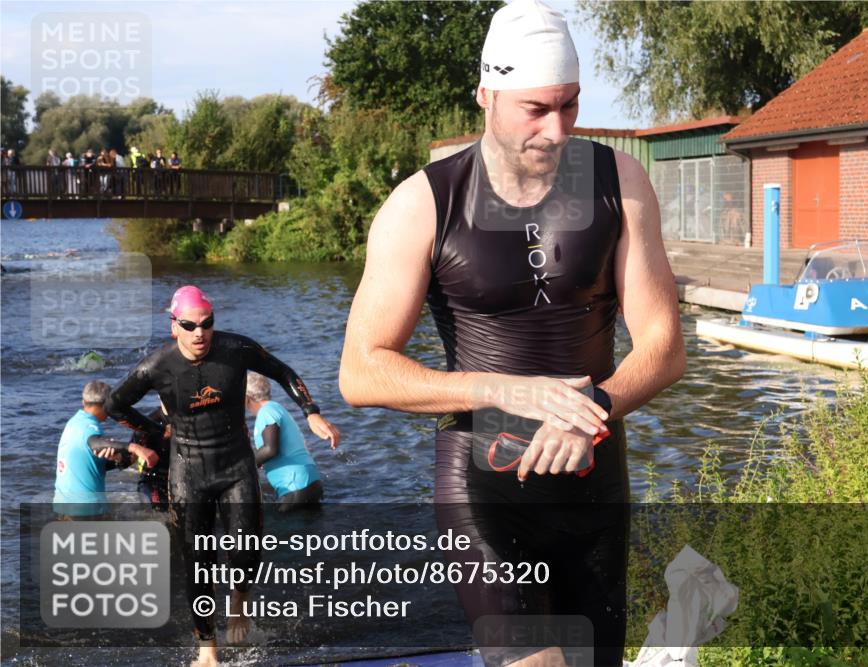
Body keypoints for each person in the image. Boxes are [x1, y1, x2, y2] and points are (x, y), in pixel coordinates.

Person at [338, 1, 685, 664]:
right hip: (483, 490)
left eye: (570, 106)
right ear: (486, 95)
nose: (556, 131)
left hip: (593, 485)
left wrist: (596, 408)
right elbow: (361, 370)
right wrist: (510, 391)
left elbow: (665, 346)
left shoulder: (620, 181)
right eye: (535, 109)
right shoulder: (424, 203)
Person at [105, 285, 341, 667]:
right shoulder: (157, 365)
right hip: (188, 472)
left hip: (236, 466)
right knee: (198, 562)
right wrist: (152, 430)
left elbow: (283, 371)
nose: (200, 333)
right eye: (190, 325)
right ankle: (207, 650)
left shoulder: (236, 349)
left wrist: (311, 411)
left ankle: (240, 599)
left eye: (207, 324)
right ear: (174, 327)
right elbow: (115, 404)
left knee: (248, 550)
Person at [53, 381, 159, 517]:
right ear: (107, 405)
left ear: (83, 402)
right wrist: (135, 448)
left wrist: (120, 461)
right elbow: (95, 443)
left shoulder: (74, 423)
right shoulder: (89, 428)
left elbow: (91, 464)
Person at [245, 372, 324, 511]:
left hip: (295, 485)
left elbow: (270, 449)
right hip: (312, 482)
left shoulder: (266, 412)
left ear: (246, 398)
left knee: (277, 531)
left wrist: (243, 467)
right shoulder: (277, 408)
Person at [131, 403, 171, 511]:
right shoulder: (148, 422)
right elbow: (129, 456)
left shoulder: (187, 420)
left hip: (180, 479)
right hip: (153, 481)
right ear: (160, 396)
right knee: (157, 511)